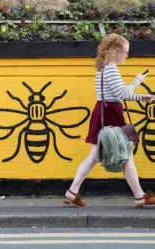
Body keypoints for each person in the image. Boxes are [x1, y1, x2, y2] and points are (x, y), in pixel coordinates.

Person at [63, 33, 155, 208]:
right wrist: (138, 82)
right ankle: (140, 197)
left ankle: (72, 192)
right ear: (115, 50)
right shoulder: (111, 69)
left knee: (94, 157)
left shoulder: (103, 68)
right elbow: (122, 94)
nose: (126, 56)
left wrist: (140, 96)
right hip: (111, 113)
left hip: (103, 111)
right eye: (125, 52)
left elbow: (117, 93)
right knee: (125, 155)